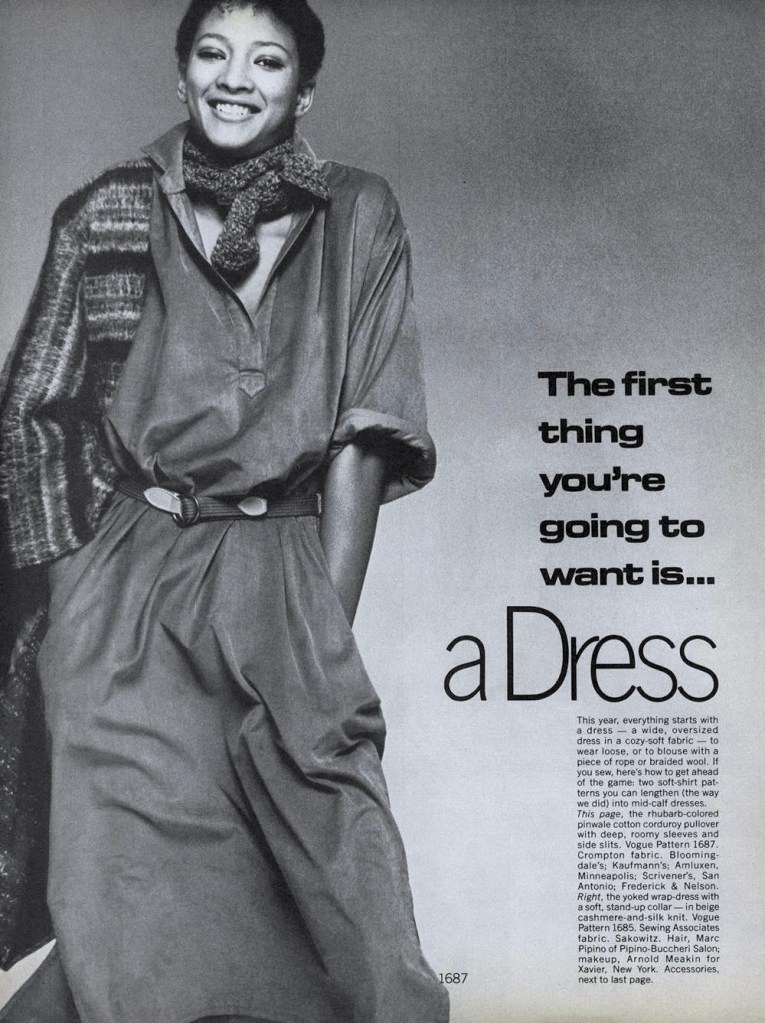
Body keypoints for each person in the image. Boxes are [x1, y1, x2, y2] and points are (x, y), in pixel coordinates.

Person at [0, 2, 448, 1021]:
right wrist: (76, 592)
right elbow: (32, 412)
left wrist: (321, 625)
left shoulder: (359, 213)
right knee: (130, 920)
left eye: (268, 60)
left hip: (282, 563)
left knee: (355, 908)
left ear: (305, 90)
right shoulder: (107, 212)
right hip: (127, 577)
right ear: (181, 74)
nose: (236, 78)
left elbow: (364, 434)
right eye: (213, 53)